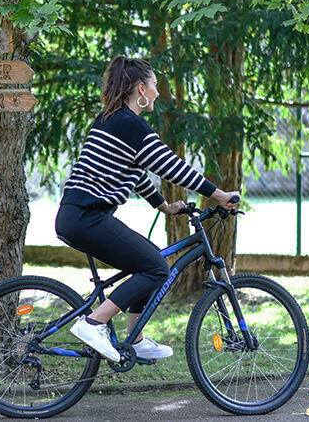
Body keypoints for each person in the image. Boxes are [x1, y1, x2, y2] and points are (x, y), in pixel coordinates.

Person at [55, 56, 240, 363]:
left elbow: (137, 172)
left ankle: (136, 341)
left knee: (148, 261)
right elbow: (171, 167)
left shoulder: (110, 119)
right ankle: (93, 323)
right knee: (156, 266)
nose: (157, 92)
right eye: (155, 85)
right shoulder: (130, 124)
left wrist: (164, 206)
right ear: (141, 88)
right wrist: (219, 194)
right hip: (87, 216)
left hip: (77, 215)